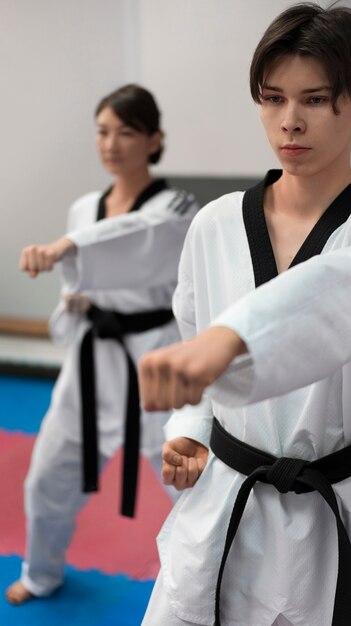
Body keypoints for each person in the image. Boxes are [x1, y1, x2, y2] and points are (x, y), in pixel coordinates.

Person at [138, 5, 351, 626]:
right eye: (272, 98)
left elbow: (335, 297)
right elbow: (194, 339)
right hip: (226, 503)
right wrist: (188, 426)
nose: (289, 122)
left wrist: (231, 340)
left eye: (315, 100)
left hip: (339, 510)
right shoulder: (213, 224)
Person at [5, 84, 199, 605]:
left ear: (154, 139)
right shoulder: (83, 206)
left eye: (126, 132)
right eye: (102, 132)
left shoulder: (176, 204)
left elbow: (141, 236)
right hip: (92, 360)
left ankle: (210, 590)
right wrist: (71, 304)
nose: (111, 144)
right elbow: (78, 284)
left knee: (191, 485)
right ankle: (42, 572)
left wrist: (68, 248)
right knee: (47, 473)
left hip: (154, 359)